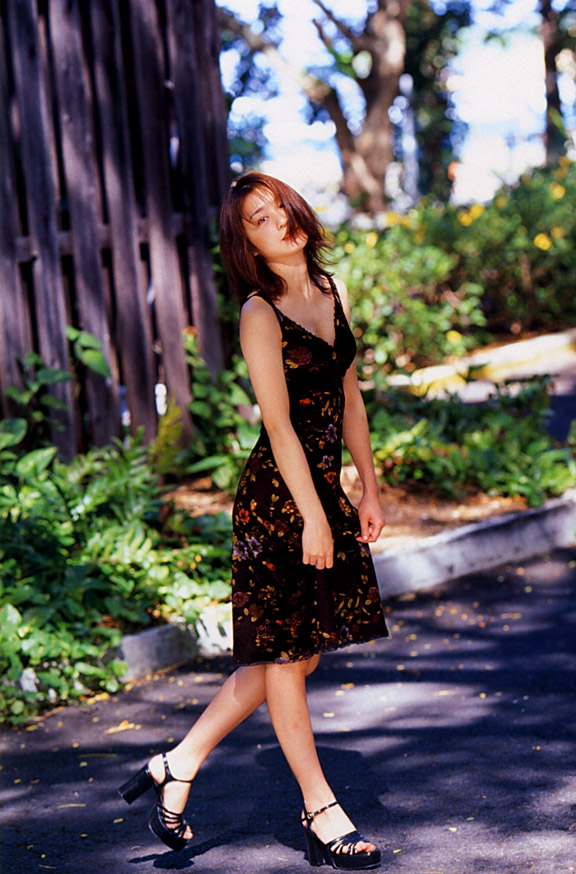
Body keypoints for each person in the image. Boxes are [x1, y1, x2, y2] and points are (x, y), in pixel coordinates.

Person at [118, 172, 388, 869]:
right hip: (277, 501)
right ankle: (321, 810)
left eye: (280, 209)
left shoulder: (332, 291)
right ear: (247, 245)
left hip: (324, 491)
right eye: (258, 220)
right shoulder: (259, 314)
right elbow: (279, 425)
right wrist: (312, 517)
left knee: (297, 654)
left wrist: (368, 486)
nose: (278, 223)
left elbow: (350, 397)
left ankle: (178, 763)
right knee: (286, 660)